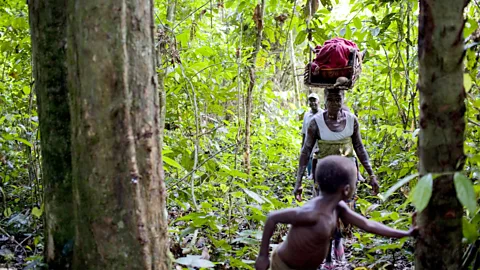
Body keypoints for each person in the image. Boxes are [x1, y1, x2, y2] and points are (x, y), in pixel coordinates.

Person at [255, 156, 416, 270]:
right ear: (346, 190)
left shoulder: (338, 208)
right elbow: (272, 217)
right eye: (355, 184)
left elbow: (367, 225)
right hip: (284, 266)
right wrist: (262, 256)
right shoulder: (312, 213)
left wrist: (406, 233)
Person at [294, 87, 378, 264]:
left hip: (347, 175)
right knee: (325, 213)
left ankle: (339, 241)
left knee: (345, 211)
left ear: (343, 100)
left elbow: (360, 148)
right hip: (324, 175)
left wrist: (371, 174)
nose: (334, 103)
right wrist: (298, 181)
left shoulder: (351, 121)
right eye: (330, 100)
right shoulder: (316, 122)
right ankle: (326, 255)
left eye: (338, 99)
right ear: (325, 101)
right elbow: (306, 151)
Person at [301, 93, 321, 180]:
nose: (313, 103)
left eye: (314, 100)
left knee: (319, 169)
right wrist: (302, 147)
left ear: (318, 102)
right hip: (309, 146)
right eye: (311, 100)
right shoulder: (306, 115)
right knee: (310, 172)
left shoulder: (323, 114)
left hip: (320, 147)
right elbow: (304, 132)